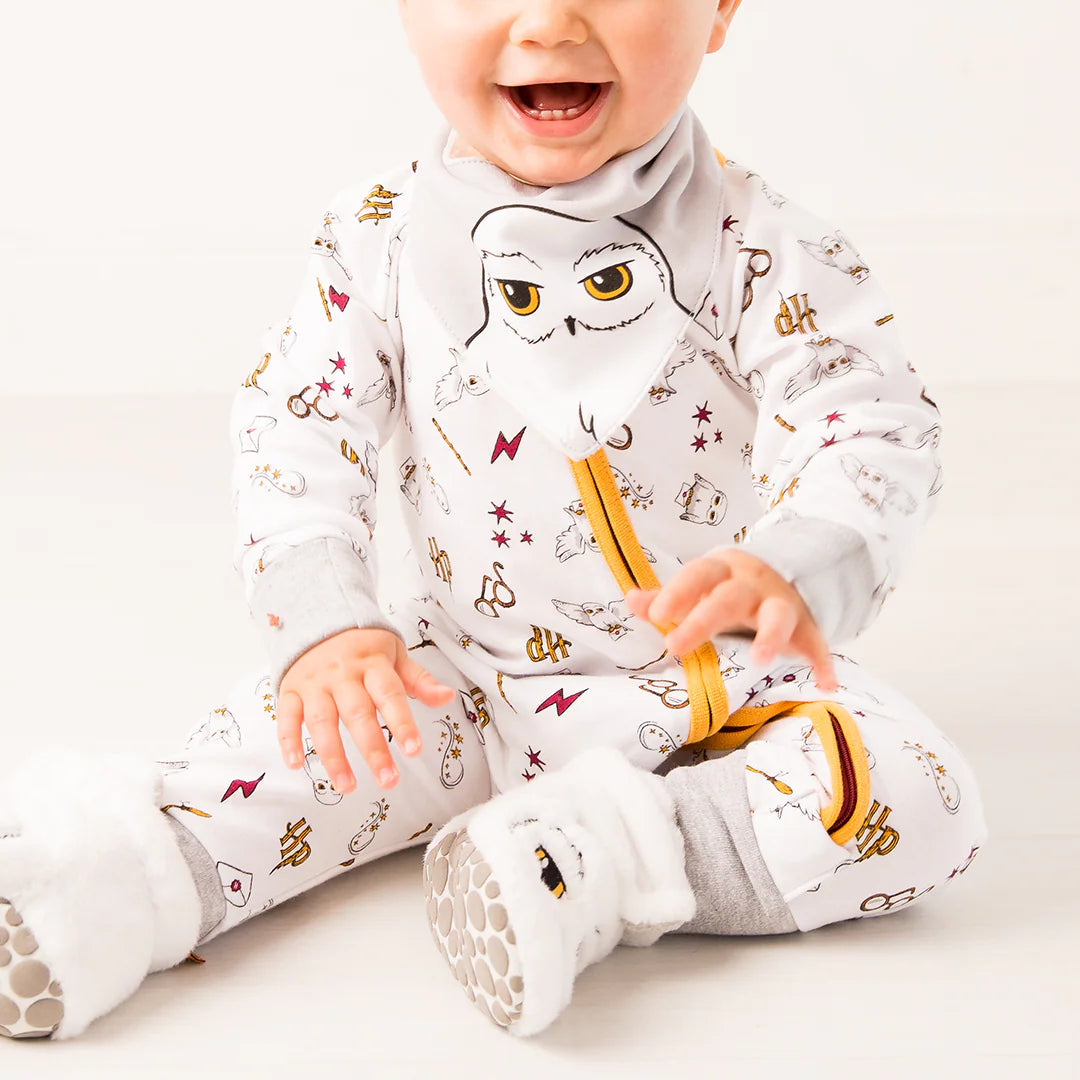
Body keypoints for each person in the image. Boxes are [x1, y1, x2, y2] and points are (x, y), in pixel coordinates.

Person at [0, 0, 986, 1041]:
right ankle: (119, 881)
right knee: (300, 744)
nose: (551, 22)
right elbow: (298, 427)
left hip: (713, 699)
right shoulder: (376, 241)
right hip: (456, 679)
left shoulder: (766, 250)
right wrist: (328, 623)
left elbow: (865, 422)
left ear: (723, 8)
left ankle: (595, 857)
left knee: (916, 794)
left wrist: (797, 561)